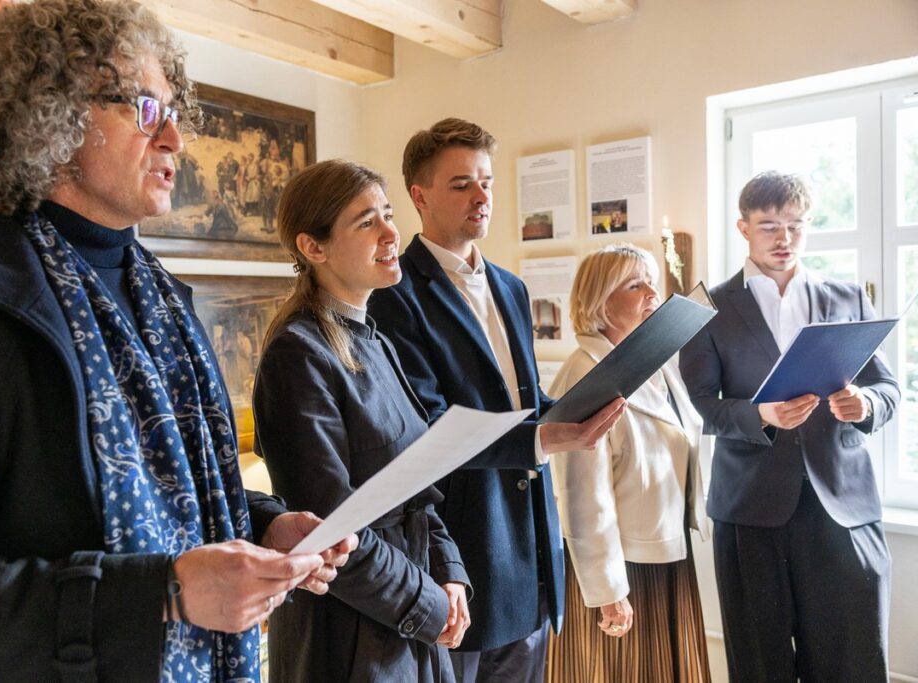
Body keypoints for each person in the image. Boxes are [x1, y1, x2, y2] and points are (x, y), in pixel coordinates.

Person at [0, 1, 357, 680]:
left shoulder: (169, 302)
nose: (174, 138)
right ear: (47, 115)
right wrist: (161, 594)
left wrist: (263, 524)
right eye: (144, 109)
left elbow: (179, 493)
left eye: (173, 113)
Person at [369, 118, 625, 683]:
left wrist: (584, 403)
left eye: (485, 181)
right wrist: (546, 436)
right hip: (465, 549)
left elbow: (522, 397)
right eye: (461, 184)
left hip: (533, 548)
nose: (481, 196)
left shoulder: (511, 286)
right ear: (419, 196)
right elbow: (429, 428)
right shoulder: (394, 294)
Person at [253, 159, 471, 682]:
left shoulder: (375, 340)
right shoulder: (297, 354)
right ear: (314, 247)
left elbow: (417, 487)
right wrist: (427, 605)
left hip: (409, 609)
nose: (392, 232)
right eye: (366, 221)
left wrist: (450, 576)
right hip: (351, 632)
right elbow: (332, 525)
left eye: (389, 214)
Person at [680, 171, 899, 682]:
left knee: (856, 660)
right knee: (761, 663)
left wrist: (864, 405)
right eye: (769, 226)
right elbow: (697, 405)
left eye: (796, 226)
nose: (784, 239)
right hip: (750, 511)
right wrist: (761, 415)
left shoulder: (848, 298)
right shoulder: (706, 309)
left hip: (843, 506)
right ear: (743, 227)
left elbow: (889, 391)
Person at [544, 244, 710, 683]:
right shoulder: (588, 374)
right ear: (600, 301)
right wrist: (607, 590)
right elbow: (581, 496)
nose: (652, 291)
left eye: (652, 280)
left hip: (662, 551)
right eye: (635, 284)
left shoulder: (655, 363)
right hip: (620, 568)